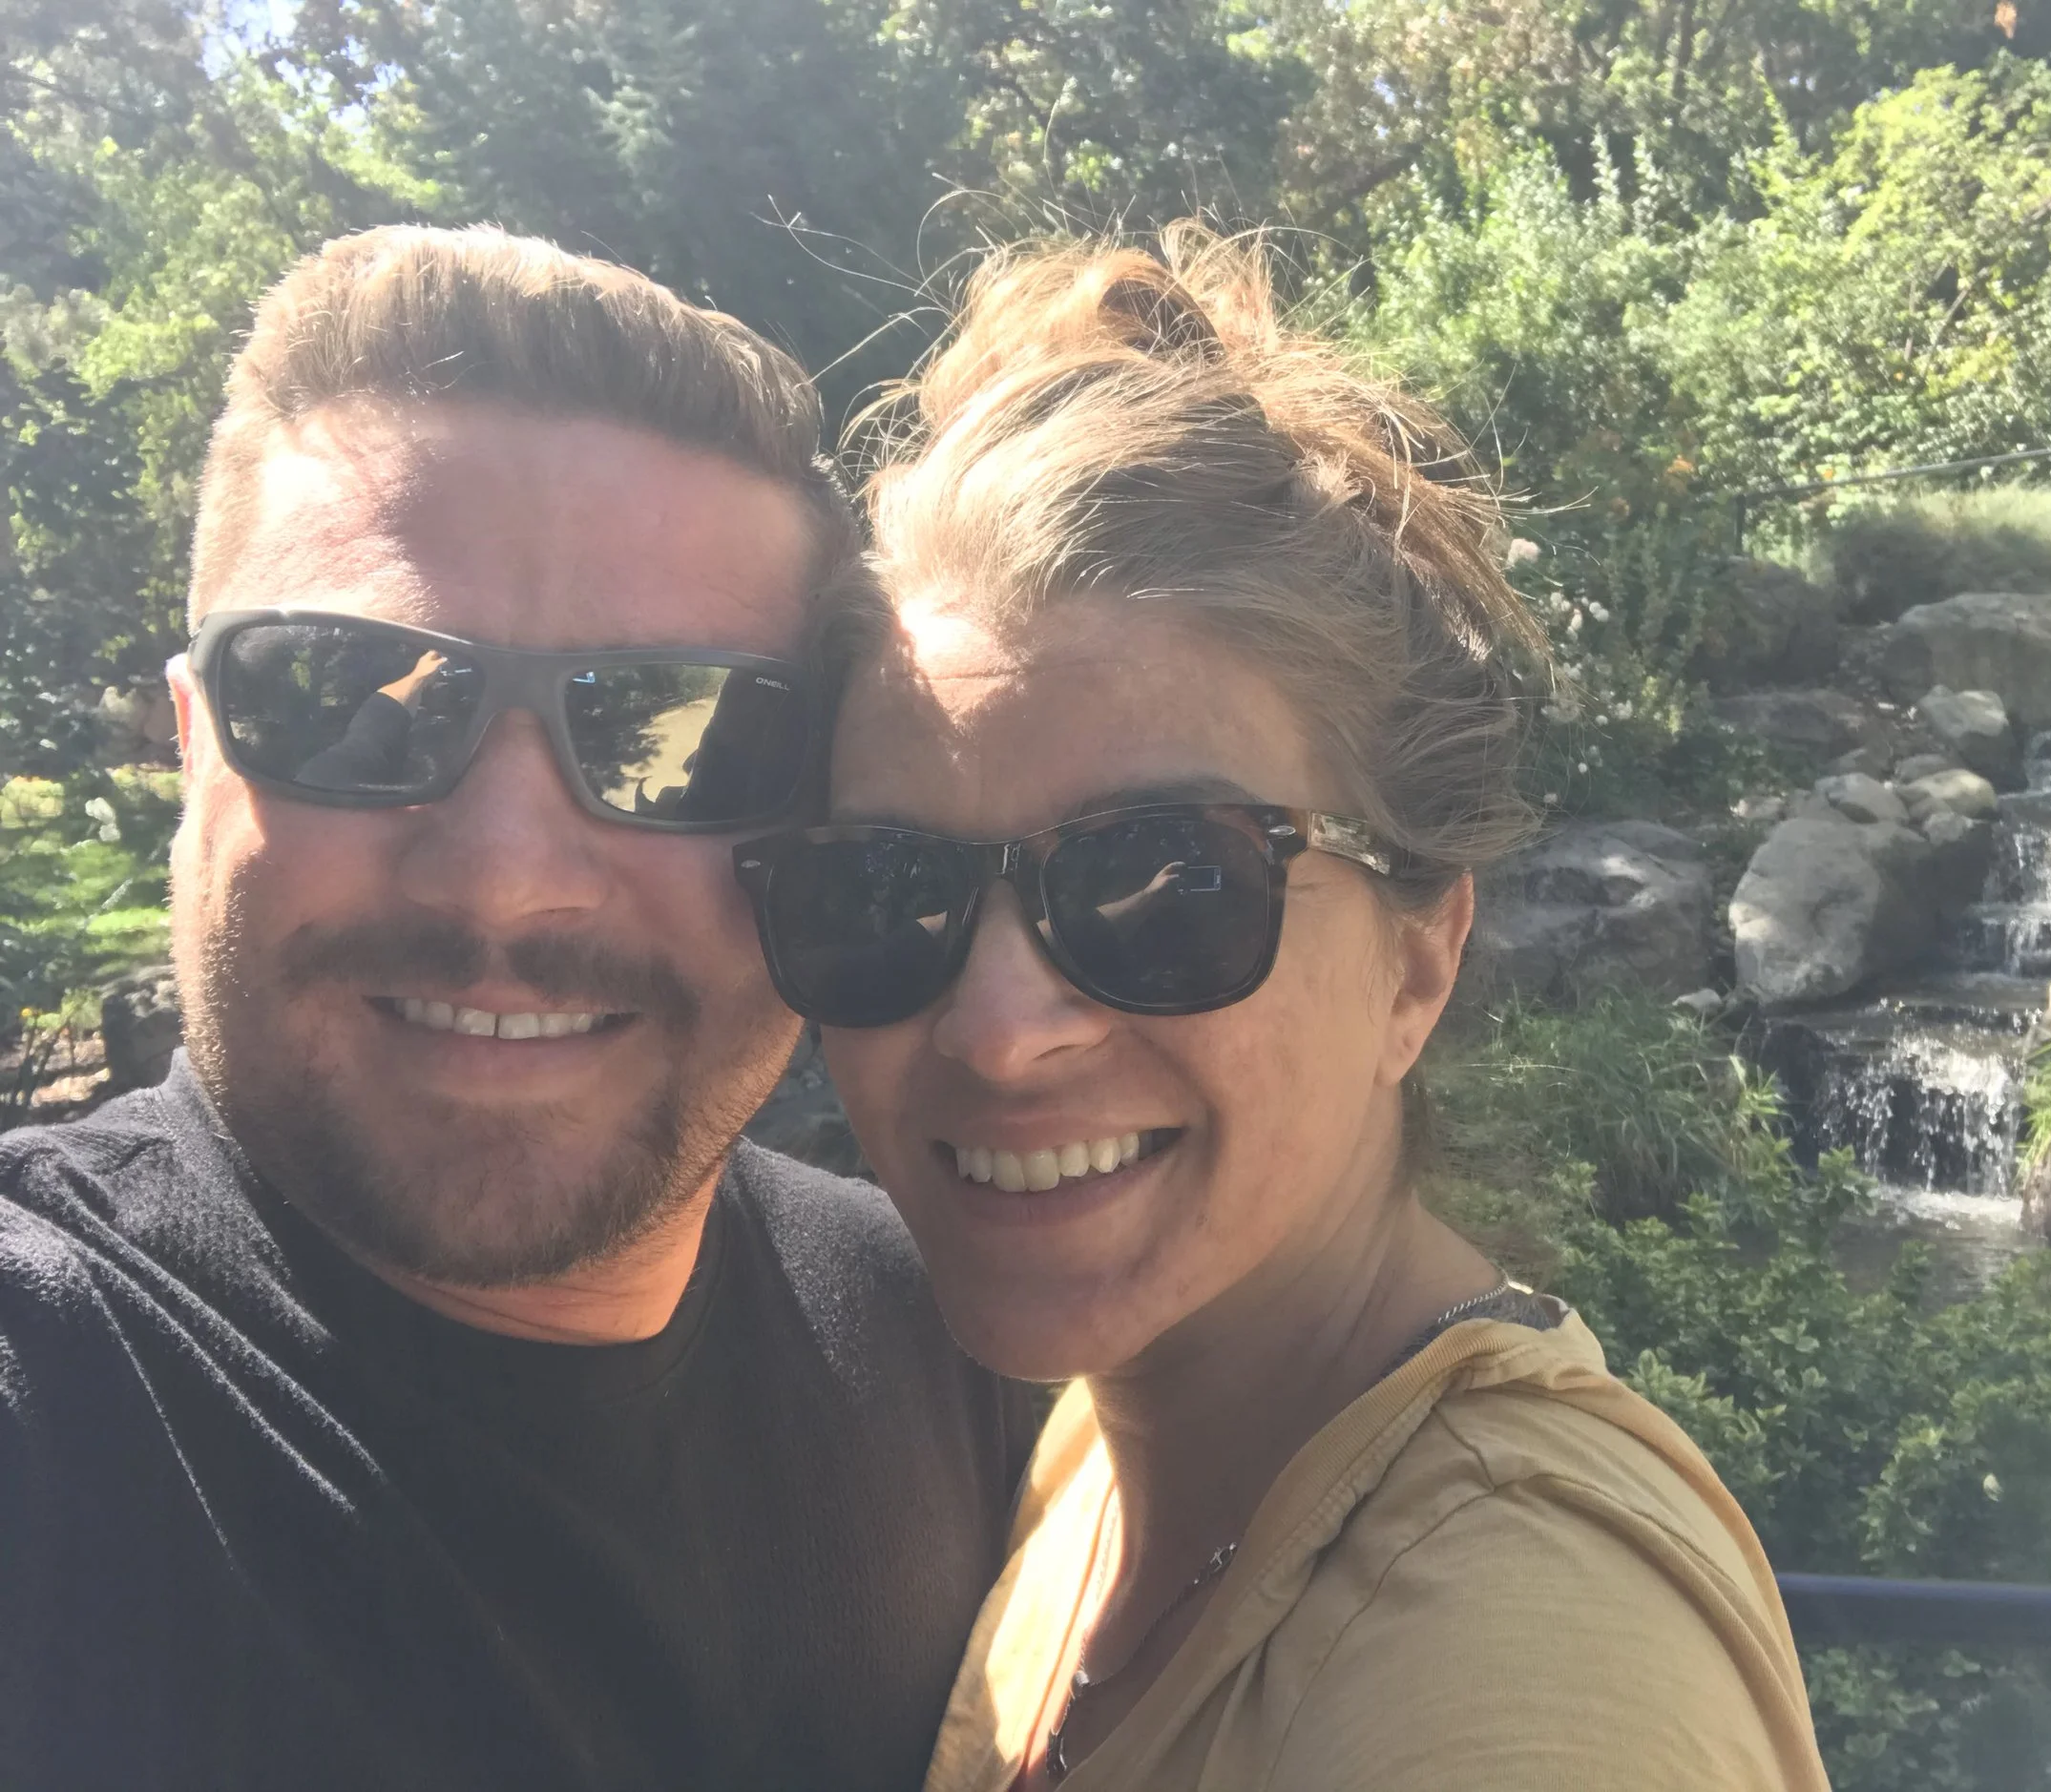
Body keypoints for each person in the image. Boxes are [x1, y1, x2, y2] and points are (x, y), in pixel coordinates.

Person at [733, 226, 1834, 1790]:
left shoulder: (1515, 1664)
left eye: (1165, 882)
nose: (996, 1028)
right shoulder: (1114, 1441)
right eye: (883, 891)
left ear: (1417, 961)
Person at [0, 226, 1033, 1791]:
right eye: (348, 701)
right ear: (194, 740)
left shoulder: (953, 1334)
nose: (505, 879)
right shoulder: (51, 1390)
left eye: (682, 736)